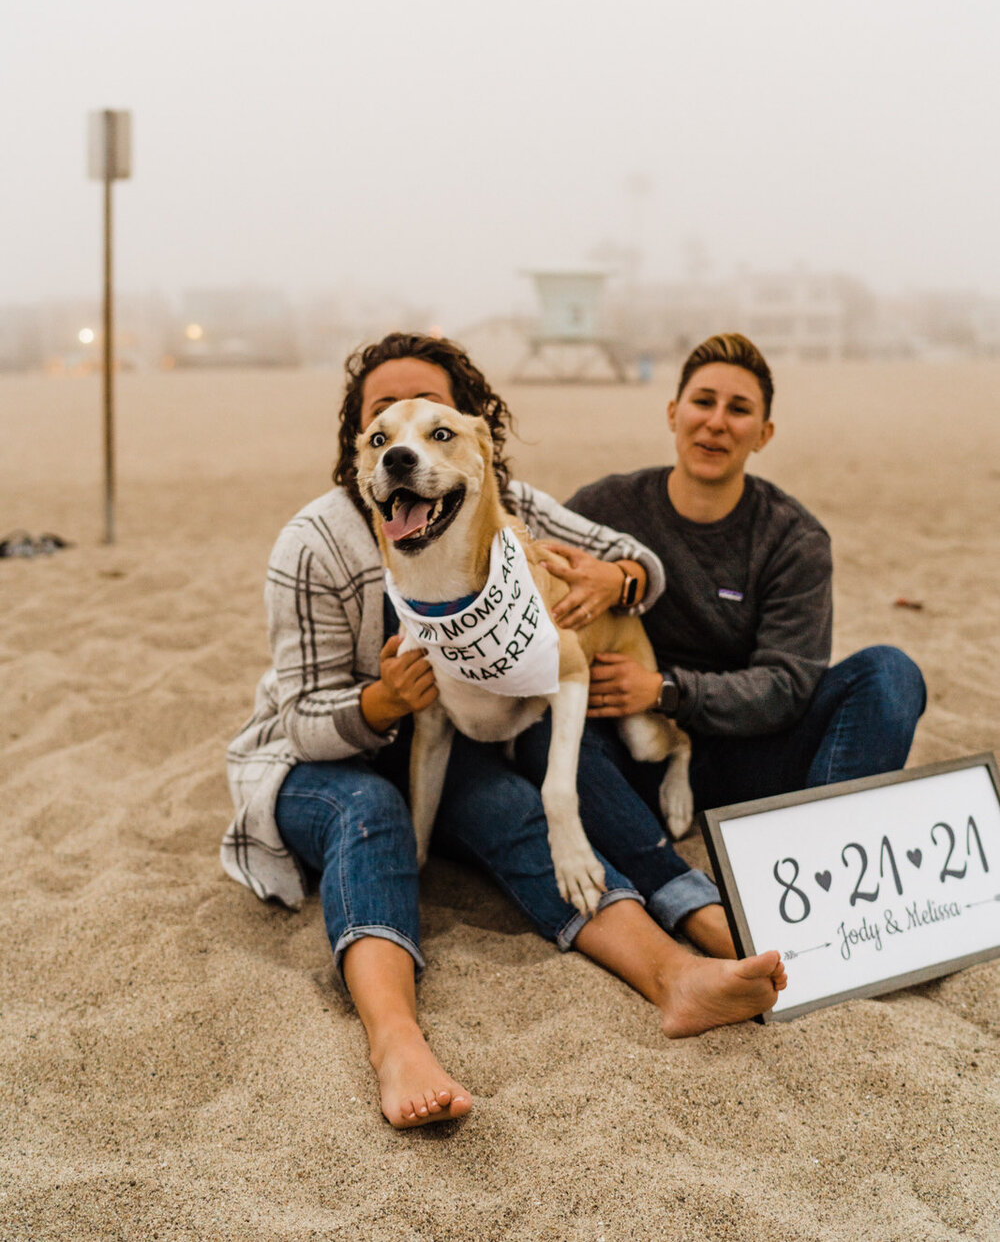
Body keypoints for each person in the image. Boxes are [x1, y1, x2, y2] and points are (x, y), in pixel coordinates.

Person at [221, 332, 786, 1130]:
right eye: (383, 428)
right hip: (319, 755)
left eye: (434, 427)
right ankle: (395, 1042)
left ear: (473, 444)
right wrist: (381, 704)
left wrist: (611, 578)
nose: (406, 450)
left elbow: (638, 564)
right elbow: (301, 723)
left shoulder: (501, 506)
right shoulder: (312, 545)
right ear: (358, 458)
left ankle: (673, 976)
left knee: (518, 810)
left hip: (443, 739)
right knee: (371, 817)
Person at [528, 331, 925, 824]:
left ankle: (826, 839)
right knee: (544, 727)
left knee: (891, 673)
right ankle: (642, 847)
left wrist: (663, 689)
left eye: (738, 409)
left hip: (755, 761)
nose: (716, 422)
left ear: (764, 433)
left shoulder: (793, 538)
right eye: (703, 402)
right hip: (632, 755)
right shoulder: (605, 506)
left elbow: (787, 684)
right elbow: (530, 579)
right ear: (674, 413)